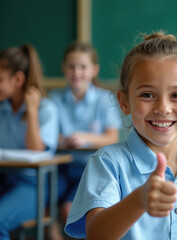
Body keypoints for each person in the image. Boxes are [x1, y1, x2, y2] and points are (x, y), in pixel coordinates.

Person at [64, 32, 177, 240]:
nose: (163, 108)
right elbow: (96, 234)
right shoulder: (108, 164)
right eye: (147, 94)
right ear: (124, 102)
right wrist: (138, 201)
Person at [48, 42, 122, 239]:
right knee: (43, 201)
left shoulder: (104, 99)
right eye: (71, 66)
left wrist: (86, 138)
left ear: (94, 70)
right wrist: (64, 140)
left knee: (68, 209)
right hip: (60, 167)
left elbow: (112, 138)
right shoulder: (54, 98)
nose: (76, 72)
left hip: (90, 168)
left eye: (83, 67)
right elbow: (47, 136)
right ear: (64, 69)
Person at [0, 44, 58, 239]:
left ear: (18, 79)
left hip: (31, 185)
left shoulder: (46, 109)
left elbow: (37, 151)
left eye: (0, 79)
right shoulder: (2, 108)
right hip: (3, 179)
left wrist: (32, 111)